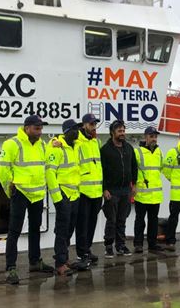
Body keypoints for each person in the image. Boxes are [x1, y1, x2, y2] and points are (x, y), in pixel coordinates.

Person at [0, 115, 54, 285]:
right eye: (37, 128)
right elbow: (2, 170)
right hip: (20, 193)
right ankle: (10, 268)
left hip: (37, 194)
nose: (40, 131)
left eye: (41, 128)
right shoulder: (12, 144)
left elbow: (46, 165)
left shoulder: (43, 145)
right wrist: (10, 188)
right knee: (14, 231)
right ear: (27, 128)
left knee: (35, 229)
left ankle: (35, 262)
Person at [46, 119, 84, 276]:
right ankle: (60, 263)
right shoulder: (57, 148)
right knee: (62, 229)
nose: (77, 132)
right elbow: (50, 173)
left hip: (74, 193)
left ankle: (65, 257)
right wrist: (57, 198)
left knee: (70, 228)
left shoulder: (75, 147)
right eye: (75, 129)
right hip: (63, 194)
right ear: (67, 131)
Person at [101, 120, 138, 258]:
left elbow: (134, 167)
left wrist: (134, 184)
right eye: (119, 131)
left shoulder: (129, 148)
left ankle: (121, 245)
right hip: (112, 190)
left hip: (125, 190)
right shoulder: (105, 150)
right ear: (112, 133)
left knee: (122, 218)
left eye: (123, 131)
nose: (122, 133)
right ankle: (109, 246)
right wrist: (104, 189)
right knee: (112, 219)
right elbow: (102, 171)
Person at [75, 113, 103, 265]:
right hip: (83, 191)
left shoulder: (96, 142)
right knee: (82, 224)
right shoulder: (76, 141)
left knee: (92, 223)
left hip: (96, 191)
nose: (93, 127)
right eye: (91, 124)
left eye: (95, 124)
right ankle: (81, 253)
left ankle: (87, 249)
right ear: (84, 125)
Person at [133, 126, 165, 253]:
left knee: (153, 221)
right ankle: (138, 244)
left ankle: (152, 244)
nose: (154, 139)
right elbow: (133, 171)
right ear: (145, 137)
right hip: (142, 194)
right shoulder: (138, 152)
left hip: (155, 195)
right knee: (140, 221)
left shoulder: (159, 152)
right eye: (151, 136)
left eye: (155, 136)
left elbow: (160, 169)